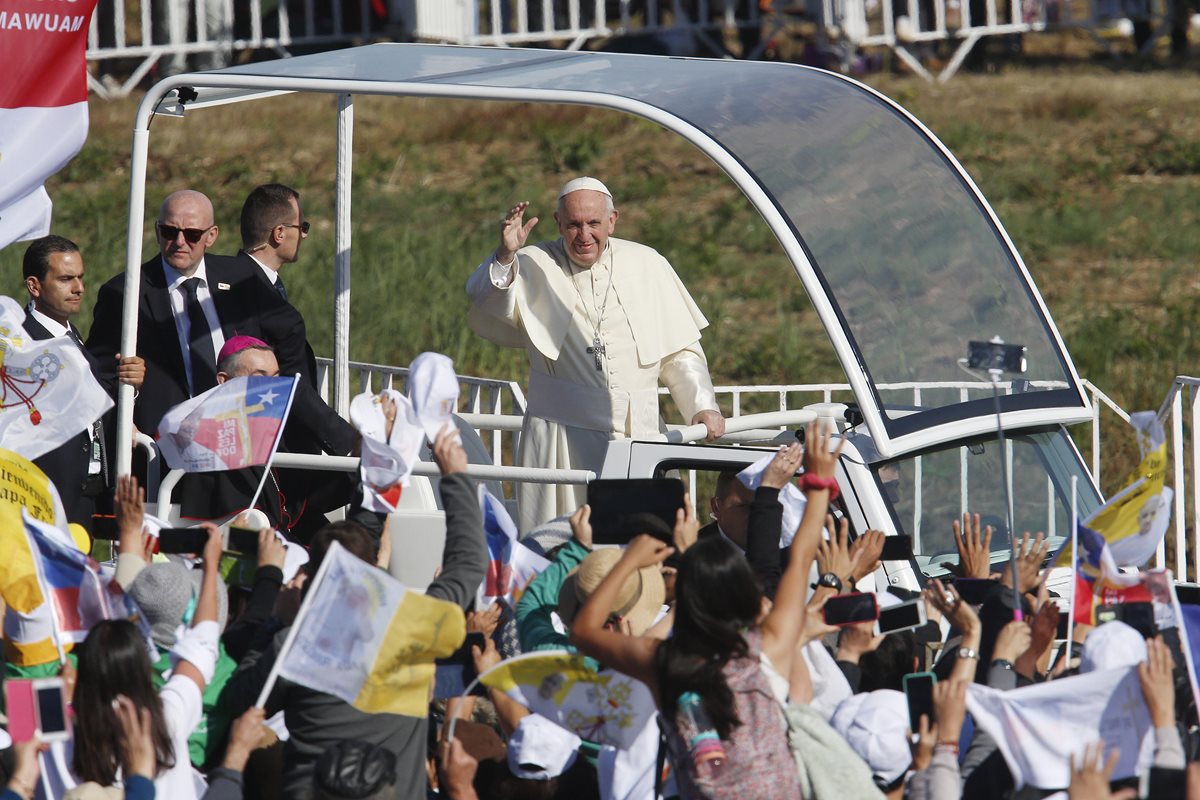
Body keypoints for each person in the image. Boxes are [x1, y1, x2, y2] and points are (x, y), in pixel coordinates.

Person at [570, 421, 843, 799]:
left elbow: (583, 632)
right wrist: (817, 483)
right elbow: (798, 561)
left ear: (684, 595)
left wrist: (628, 560)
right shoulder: (770, 648)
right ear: (749, 599)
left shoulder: (664, 662)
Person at [221, 426, 486, 800]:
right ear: (376, 569)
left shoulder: (293, 645)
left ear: (308, 578)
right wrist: (454, 476)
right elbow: (469, 563)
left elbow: (238, 700)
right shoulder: (413, 628)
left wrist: (275, 621)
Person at [466, 177, 724, 532]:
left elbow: (678, 351)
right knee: (560, 544)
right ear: (559, 223)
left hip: (640, 432)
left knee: (647, 543)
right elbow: (486, 299)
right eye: (573, 224)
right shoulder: (532, 263)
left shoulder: (647, 264)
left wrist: (701, 405)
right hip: (560, 441)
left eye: (593, 224)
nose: (583, 235)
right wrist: (506, 255)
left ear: (612, 221)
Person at [86, 189, 302, 440]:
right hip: (164, 448)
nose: (179, 242)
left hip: (237, 439)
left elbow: (291, 334)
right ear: (157, 231)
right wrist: (130, 388)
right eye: (169, 231)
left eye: (192, 234)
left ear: (211, 236)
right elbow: (99, 375)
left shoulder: (240, 278)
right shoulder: (125, 292)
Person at [22, 234, 145, 527]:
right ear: (34, 285)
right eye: (66, 279)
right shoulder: (23, 343)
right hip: (44, 496)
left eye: (80, 277)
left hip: (86, 494)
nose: (79, 288)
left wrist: (130, 387)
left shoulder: (72, 336)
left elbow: (90, 402)